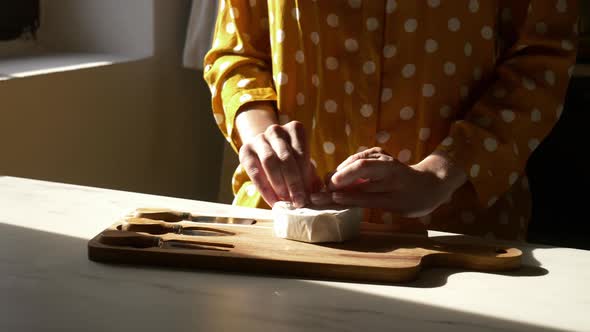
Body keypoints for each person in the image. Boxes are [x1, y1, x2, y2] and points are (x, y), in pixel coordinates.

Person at [203, 0, 578, 240]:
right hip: (281, 231)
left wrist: (438, 175)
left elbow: (540, 62)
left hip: (458, 240)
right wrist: (259, 134)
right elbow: (236, 53)